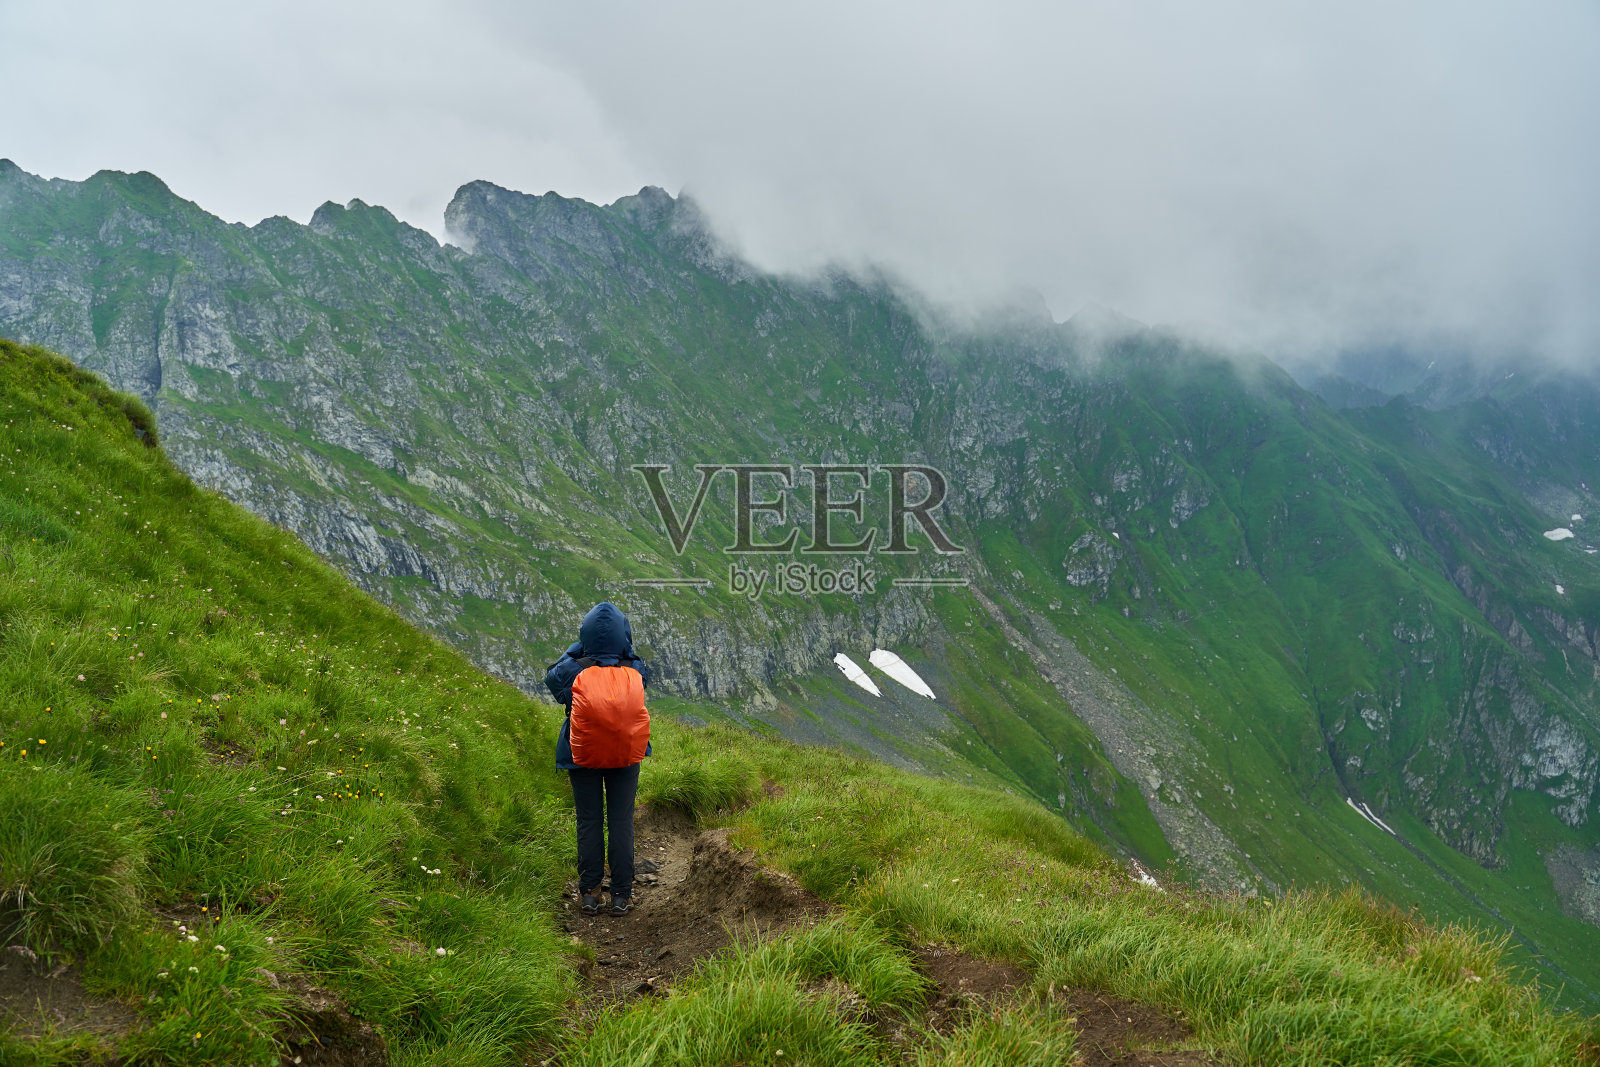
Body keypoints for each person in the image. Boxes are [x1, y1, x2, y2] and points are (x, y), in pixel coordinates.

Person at [545, 602, 652, 917]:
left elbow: (553, 679)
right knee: (621, 822)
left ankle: (590, 894)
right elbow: (642, 677)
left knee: (589, 821)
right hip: (625, 753)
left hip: (581, 753)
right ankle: (621, 895)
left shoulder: (574, 668)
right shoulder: (634, 669)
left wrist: (578, 649)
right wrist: (623, 650)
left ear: (585, 634)